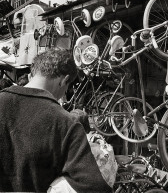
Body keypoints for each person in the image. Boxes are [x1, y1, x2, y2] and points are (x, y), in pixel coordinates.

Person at [0, 48, 112, 192]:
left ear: (32, 74)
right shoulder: (66, 123)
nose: (64, 94)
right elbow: (94, 187)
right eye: (67, 87)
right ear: (64, 80)